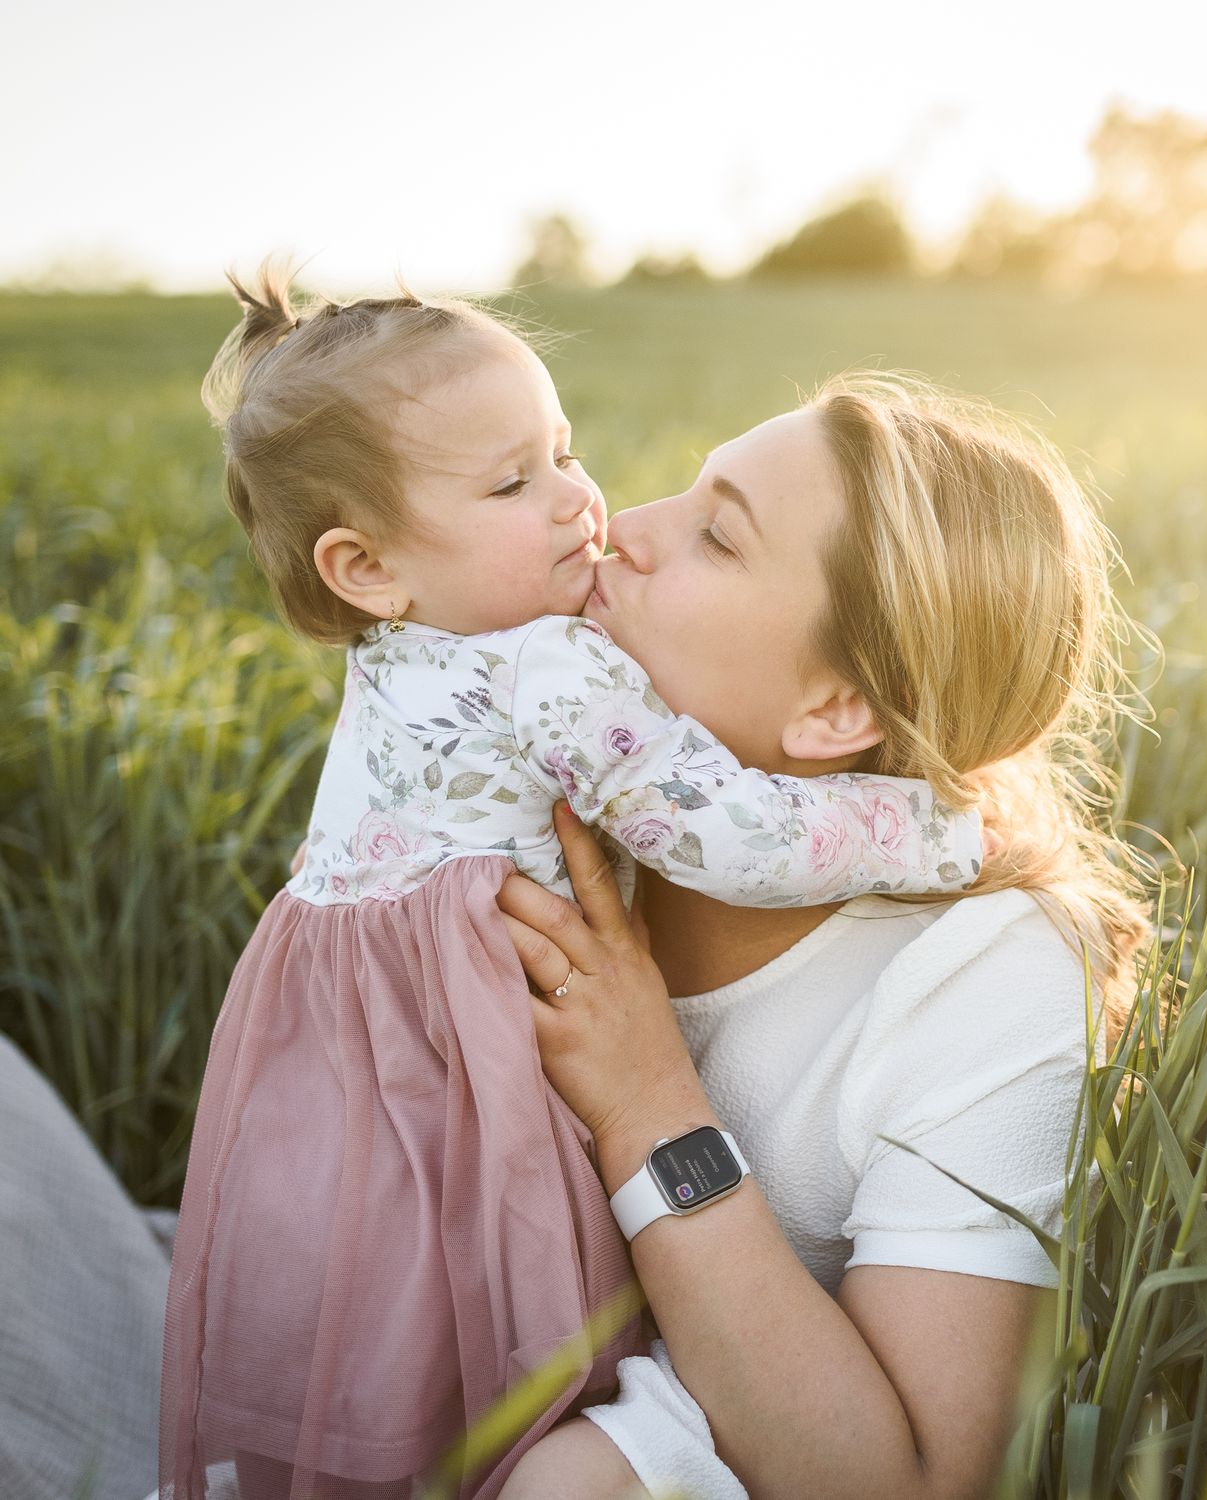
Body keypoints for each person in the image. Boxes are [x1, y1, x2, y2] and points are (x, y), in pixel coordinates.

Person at [159, 267, 988, 1500]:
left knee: (381, 1323)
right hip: (475, 1057)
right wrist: (935, 831)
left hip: (339, 1071)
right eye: (512, 483)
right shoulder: (549, 667)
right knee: (524, 1325)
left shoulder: (402, 649)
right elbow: (729, 834)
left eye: (563, 452)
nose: (580, 505)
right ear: (366, 567)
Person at [488, 374, 1155, 1499]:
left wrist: (650, 1103)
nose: (624, 529)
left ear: (839, 709)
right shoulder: (545, 804)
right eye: (682, 491)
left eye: (718, 536)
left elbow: (910, 1483)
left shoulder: (992, 970)